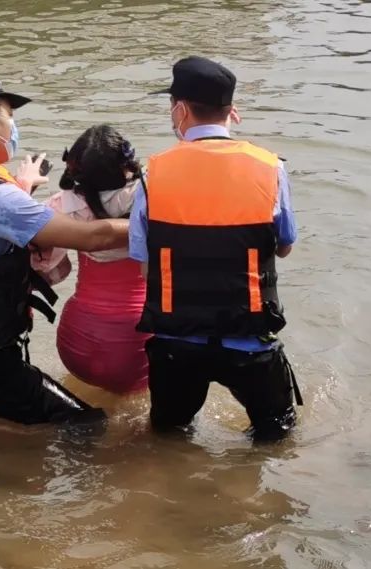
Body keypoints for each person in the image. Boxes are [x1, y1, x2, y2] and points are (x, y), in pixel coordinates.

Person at [0, 66, 130, 426]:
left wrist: (22, 186)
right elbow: (96, 237)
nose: (12, 126)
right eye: (9, 116)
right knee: (92, 425)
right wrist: (166, 223)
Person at [129, 56, 304, 441]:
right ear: (231, 111)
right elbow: (285, 247)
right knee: (278, 439)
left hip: (177, 343)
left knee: (169, 439)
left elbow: (144, 269)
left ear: (180, 109)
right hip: (250, 337)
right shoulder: (269, 167)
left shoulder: (152, 173)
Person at [31, 125, 151, 394]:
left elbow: (41, 263)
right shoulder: (150, 198)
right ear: (126, 166)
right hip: (135, 342)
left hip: (76, 342)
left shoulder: (61, 206)